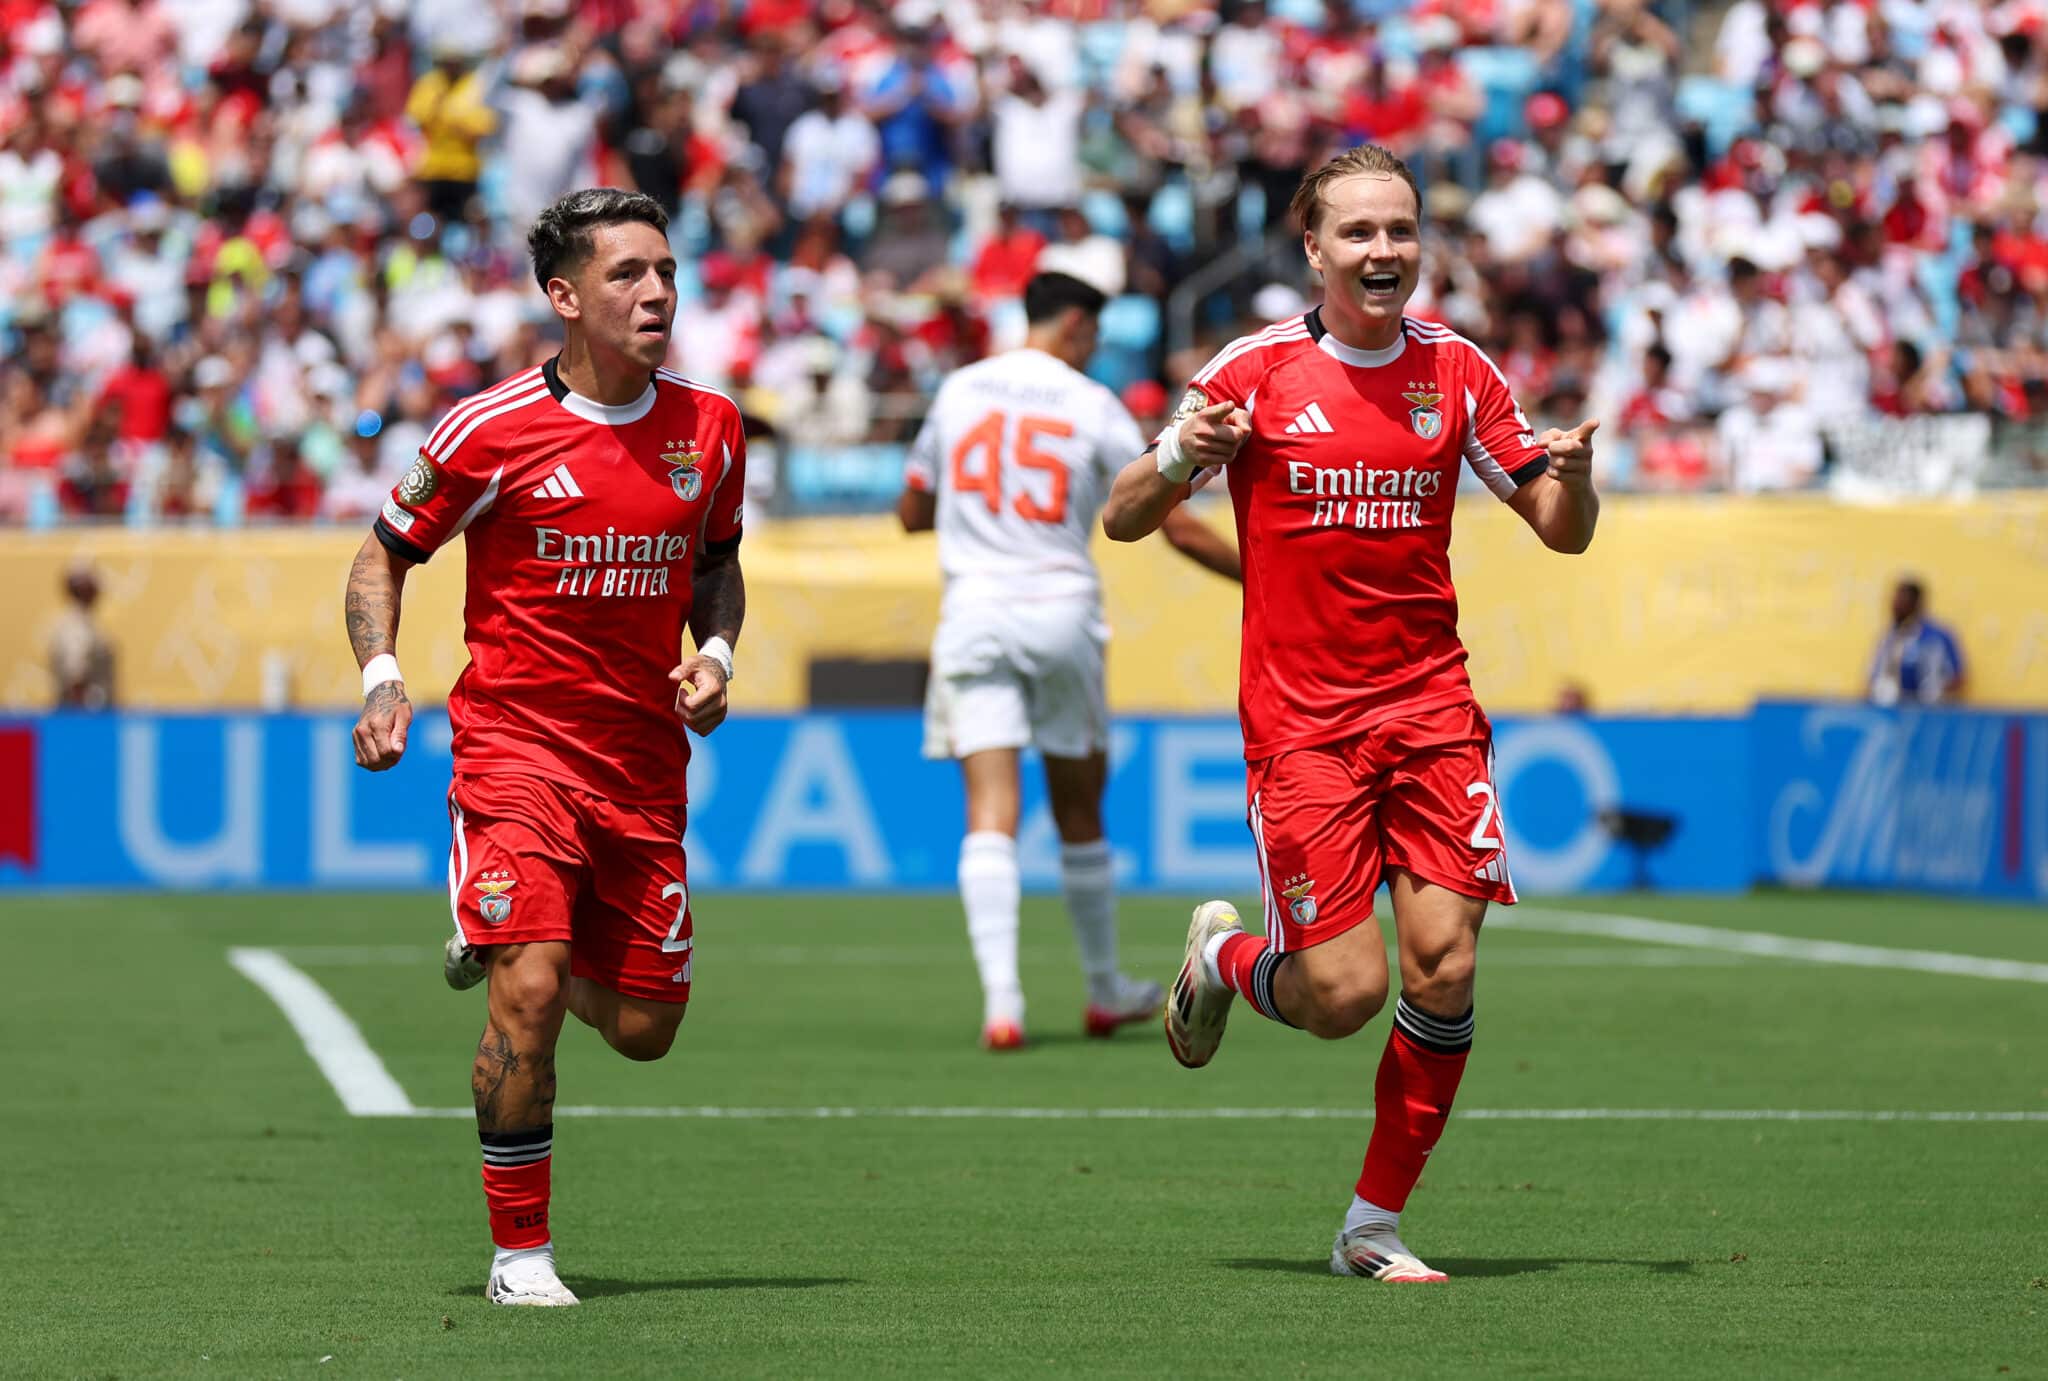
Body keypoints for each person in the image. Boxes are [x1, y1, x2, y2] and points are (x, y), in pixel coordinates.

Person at [1101, 145, 1601, 1283]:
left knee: (1442, 968)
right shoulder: (1254, 369)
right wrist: (1183, 447)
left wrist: (1571, 476)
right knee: (1341, 996)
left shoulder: (1458, 371)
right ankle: (1225, 960)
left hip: (1430, 709)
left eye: (1400, 231)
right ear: (1314, 248)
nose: (1383, 252)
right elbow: (1124, 515)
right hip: (1304, 726)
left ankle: (1369, 1226)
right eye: (1359, 233)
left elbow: (1557, 528)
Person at [343, 188, 746, 1308]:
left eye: (664, 269)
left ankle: (515, 931)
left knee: (646, 1029)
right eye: (627, 274)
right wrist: (383, 678)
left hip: (641, 766)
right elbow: (383, 557)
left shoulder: (710, 426)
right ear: (563, 296)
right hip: (514, 749)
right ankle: (520, 1255)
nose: (657, 291)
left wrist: (712, 651)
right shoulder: (489, 428)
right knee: (528, 986)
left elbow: (717, 561)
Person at [898, 269, 1241, 1051]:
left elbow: (911, 508)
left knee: (989, 811)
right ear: (1080, 328)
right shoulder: (1092, 405)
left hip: (975, 611)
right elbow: (1172, 516)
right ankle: (1101, 985)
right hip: (1060, 612)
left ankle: (1003, 1002)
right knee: (1079, 807)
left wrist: (962, 517)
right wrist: (1257, 576)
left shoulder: (959, 391)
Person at [1868, 576, 1964, 705]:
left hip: (1930, 712)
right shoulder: (1889, 638)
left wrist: (1934, 692)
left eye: (1901, 600)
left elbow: (1958, 677)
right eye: (1895, 600)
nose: (1895, 605)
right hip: (1894, 712)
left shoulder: (1937, 637)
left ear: (1915, 604)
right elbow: (1874, 677)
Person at [49, 560, 116, 708]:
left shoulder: (85, 622)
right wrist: (83, 720)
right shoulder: (75, 625)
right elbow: (75, 677)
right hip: (83, 717)